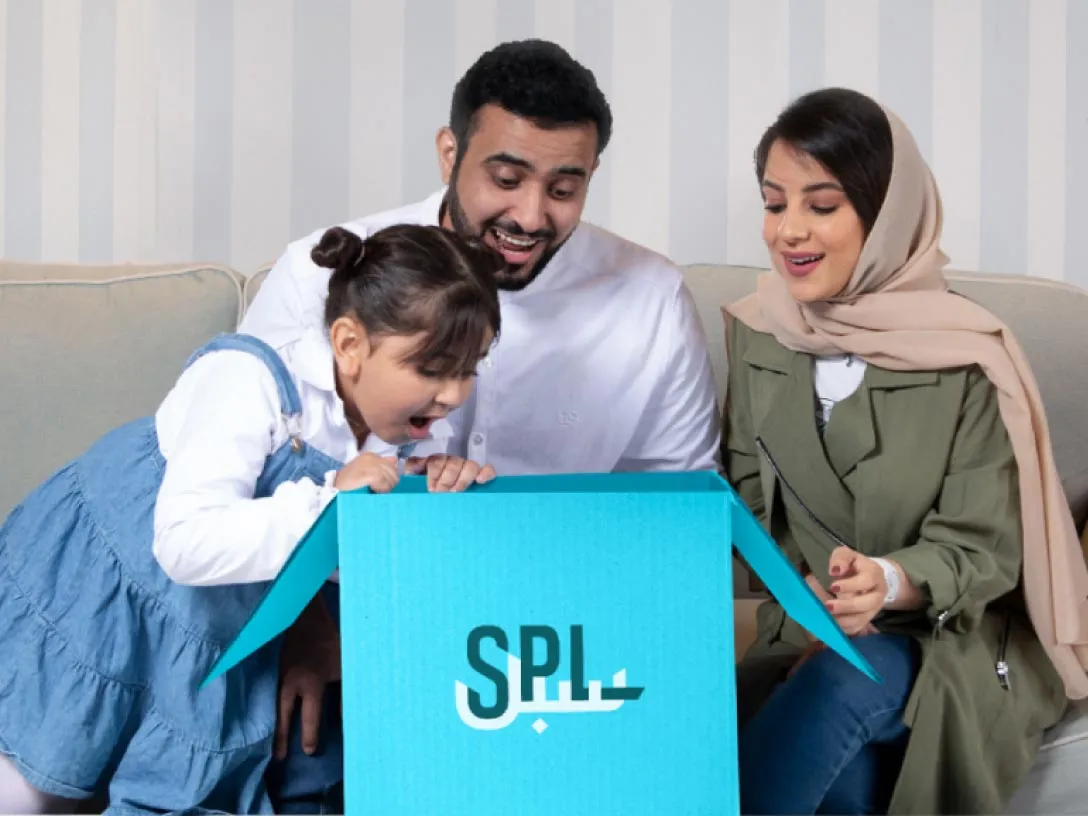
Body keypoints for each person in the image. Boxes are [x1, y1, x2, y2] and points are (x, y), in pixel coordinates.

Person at [0, 224, 501, 814]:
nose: (452, 395)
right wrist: (330, 499)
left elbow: (330, 563)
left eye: (470, 368)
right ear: (348, 344)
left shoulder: (393, 427)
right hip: (114, 588)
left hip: (218, 620)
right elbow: (186, 545)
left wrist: (413, 504)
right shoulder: (248, 379)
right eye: (433, 369)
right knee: (38, 776)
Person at [722, 87, 1088, 814]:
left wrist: (886, 582)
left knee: (842, 681)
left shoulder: (970, 356)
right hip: (806, 624)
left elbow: (984, 549)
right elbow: (747, 506)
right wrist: (809, 606)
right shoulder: (758, 333)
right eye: (774, 203)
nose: (789, 231)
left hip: (951, 635)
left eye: (821, 206)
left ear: (886, 214)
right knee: (845, 777)